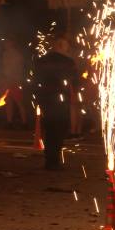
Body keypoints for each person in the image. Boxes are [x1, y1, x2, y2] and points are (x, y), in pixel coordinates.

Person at [33, 36, 78, 170]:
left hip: (46, 98)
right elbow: (74, 80)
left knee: (49, 128)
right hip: (60, 99)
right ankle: (55, 160)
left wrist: (38, 97)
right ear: (60, 46)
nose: (68, 48)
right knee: (59, 130)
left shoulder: (41, 61)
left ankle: (49, 159)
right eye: (66, 46)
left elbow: (36, 79)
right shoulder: (68, 62)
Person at [0, 39, 27, 128]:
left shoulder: (17, 55)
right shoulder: (5, 54)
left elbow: (19, 68)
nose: (5, 44)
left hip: (15, 81)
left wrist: (16, 79)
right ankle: (9, 122)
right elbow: (4, 67)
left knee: (19, 101)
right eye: (5, 43)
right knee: (8, 101)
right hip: (7, 80)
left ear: (12, 43)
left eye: (7, 42)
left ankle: (24, 122)